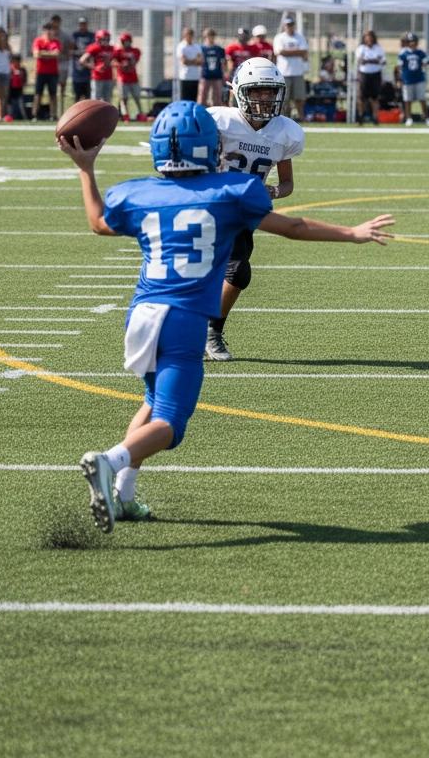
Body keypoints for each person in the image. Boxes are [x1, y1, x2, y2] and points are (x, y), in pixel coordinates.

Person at [61, 100, 393, 531]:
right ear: (210, 146)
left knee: (151, 401)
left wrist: (86, 169)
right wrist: (352, 233)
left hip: (140, 316)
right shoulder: (233, 192)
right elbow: (293, 227)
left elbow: (98, 223)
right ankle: (109, 461)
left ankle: (124, 494)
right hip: (183, 320)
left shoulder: (136, 192)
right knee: (171, 422)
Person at [204, 58, 306, 361]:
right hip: (208, 206)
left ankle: (212, 331)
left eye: (269, 92)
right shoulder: (218, 121)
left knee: (238, 275)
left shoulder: (285, 132)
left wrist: (271, 190)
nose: (264, 98)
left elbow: (287, 184)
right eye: (257, 91)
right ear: (238, 91)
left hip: (242, 212)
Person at [272, 16, 309, 120]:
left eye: (291, 25)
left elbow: (303, 51)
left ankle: (301, 117)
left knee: (299, 98)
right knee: (284, 98)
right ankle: (285, 118)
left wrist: (287, 51)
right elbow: (279, 52)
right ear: (284, 26)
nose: (289, 27)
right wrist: (296, 50)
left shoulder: (299, 37)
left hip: (298, 72)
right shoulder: (279, 37)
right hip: (284, 72)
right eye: (287, 25)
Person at [397, 32, 429, 126]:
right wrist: (399, 79)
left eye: (413, 42)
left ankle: (426, 117)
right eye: (410, 42)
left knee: (422, 99)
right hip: (407, 80)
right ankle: (408, 118)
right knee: (408, 100)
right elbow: (399, 67)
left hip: (419, 79)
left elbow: (424, 64)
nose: (412, 44)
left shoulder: (420, 53)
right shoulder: (403, 53)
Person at [31, 21, 61, 122]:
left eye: (50, 30)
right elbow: (36, 54)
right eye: (46, 30)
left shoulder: (55, 42)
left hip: (53, 72)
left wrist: (44, 54)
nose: (48, 32)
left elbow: (56, 54)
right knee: (38, 94)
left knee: (53, 94)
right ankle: (35, 114)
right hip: (41, 71)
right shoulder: (38, 41)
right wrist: (49, 54)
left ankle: (53, 114)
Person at [355, 29, 386, 125]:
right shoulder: (361, 48)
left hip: (375, 74)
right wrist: (374, 60)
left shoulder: (378, 48)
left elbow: (382, 60)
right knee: (362, 97)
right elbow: (360, 60)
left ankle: (375, 117)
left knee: (374, 97)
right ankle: (361, 115)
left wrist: (369, 60)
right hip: (364, 74)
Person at [113, 32, 143, 121]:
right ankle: (125, 114)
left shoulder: (135, 51)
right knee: (124, 98)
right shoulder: (118, 51)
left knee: (136, 97)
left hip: (133, 77)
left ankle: (141, 113)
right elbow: (113, 61)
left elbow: (134, 61)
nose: (126, 43)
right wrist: (120, 64)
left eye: (127, 41)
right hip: (122, 78)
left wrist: (128, 64)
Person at [80, 29, 115, 104]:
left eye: (107, 39)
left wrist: (111, 63)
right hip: (97, 76)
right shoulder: (94, 47)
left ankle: (106, 115)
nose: (105, 41)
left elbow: (115, 60)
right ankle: (95, 115)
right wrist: (93, 67)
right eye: (103, 39)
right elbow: (82, 60)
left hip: (108, 76)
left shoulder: (111, 48)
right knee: (96, 100)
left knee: (107, 99)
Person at [49, 14, 73, 114]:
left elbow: (70, 46)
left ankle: (62, 109)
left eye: (57, 21)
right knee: (52, 88)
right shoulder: (48, 34)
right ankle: (53, 111)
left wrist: (67, 54)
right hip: (51, 63)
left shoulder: (64, 34)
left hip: (62, 62)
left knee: (62, 86)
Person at [198, 28, 226, 108]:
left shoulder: (219, 49)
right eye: (208, 36)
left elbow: (223, 63)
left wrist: (224, 74)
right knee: (202, 96)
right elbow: (200, 62)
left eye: (212, 36)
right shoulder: (201, 48)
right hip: (205, 75)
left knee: (217, 97)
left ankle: (217, 111)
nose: (210, 38)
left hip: (217, 75)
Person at [69, 17, 94, 104]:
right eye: (81, 24)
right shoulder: (75, 35)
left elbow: (93, 50)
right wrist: (81, 53)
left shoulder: (91, 35)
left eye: (84, 24)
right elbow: (71, 50)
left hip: (88, 71)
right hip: (77, 71)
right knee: (77, 95)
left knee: (88, 95)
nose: (82, 26)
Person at [175, 28, 202, 103]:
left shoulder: (196, 46)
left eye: (191, 35)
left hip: (195, 77)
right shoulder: (181, 46)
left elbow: (200, 61)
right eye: (187, 35)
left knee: (193, 99)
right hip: (185, 77)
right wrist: (194, 61)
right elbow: (184, 61)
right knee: (184, 99)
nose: (189, 37)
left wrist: (190, 61)